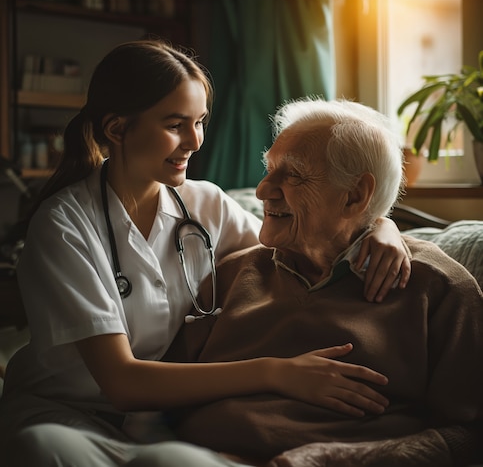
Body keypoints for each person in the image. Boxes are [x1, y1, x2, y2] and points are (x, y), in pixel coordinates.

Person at [0, 40, 411, 467]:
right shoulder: (63, 225)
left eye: (200, 122)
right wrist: (278, 372)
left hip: (163, 420)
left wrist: (381, 225)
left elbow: (297, 246)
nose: (194, 141)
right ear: (118, 129)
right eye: (176, 124)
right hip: (69, 417)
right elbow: (122, 382)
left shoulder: (206, 206)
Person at [165, 98, 483, 467]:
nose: (263, 190)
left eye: (294, 174)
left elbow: (469, 436)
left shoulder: (440, 289)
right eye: (269, 170)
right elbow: (165, 396)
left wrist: (338, 459)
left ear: (355, 195)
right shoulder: (232, 273)